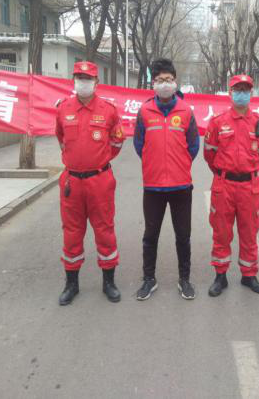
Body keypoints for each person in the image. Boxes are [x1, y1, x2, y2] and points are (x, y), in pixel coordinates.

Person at [55, 61, 124, 305]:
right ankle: (71, 284)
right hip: (72, 182)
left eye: (87, 78)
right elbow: (61, 138)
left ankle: (109, 282)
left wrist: (98, 161)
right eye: (79, 78)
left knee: (105, 230)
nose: (83, 82)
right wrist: (78, 161)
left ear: (96, 82)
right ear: (73, 80)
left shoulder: (108, 110)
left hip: (100, 180)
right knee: (72, 233)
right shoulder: (63, 108)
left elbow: (116, 142)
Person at [133, 58, 200, 300]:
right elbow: (139, 145)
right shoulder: (144, 111)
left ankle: (185, 280)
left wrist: (178, 164)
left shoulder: (186, 111)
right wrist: (154, 164)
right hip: (153, 187)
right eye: (160, 80)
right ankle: (148, 279)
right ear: (153, 83)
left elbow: (193, 146)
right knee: (150, 236)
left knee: (183, 236)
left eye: (168, 80)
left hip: (181, 186)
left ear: (175, 82)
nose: (164, 84)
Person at [203, 74, 259, 297]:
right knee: (221, 232)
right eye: (237, 89)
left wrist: (247, 172)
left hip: (249, 187)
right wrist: (225, 172)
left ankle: (249, 275)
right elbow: (209, 154)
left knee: (249, 232)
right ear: (230, 93)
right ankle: (220, 275)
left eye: (245, 89)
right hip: (224, 185)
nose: (241, 93)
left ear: (251, 93)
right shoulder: (218, 122)